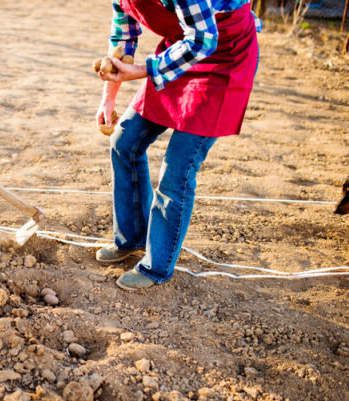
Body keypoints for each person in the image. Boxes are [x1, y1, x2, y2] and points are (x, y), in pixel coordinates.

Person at [94, 0, 260, 290]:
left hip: (225, 58)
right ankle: (132, 239)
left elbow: (203, 40)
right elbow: (123, 38)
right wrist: (108, 98)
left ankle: (156, 267)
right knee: (125, 140)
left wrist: (146, 70)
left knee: (178, 167)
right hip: (181, 53)